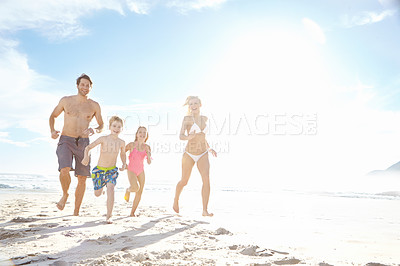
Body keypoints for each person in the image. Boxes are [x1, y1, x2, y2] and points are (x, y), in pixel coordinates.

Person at [49, 73, 104, 216]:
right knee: (64, 169)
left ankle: (76, 212)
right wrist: (52, 131)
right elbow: (53, 116)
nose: (85, 87)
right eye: (82, 84)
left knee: (82, 178)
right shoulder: (66, 101)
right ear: (77, 85)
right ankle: (65, 194)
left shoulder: (94, 105)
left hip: (84, 143)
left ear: (91, 88)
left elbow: (101, 125)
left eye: (87, 85)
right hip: (66, 139)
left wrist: (95, 129)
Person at [173, 96, 217, 216]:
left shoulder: (205, 118)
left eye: (195, 103)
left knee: (206, 179)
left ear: (200, 104)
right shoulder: (187, 119)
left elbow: (203, 136)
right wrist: (188, 137)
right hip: (189, 154)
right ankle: (176, 200)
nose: (193, 105)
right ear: (189, 106)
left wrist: (209, 148)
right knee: (184, 181)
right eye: (191, 104)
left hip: (203, 153)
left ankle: (204, 210)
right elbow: (181, 136)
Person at [81, 116, 126, 224]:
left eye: (119, 126)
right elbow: (88, 147)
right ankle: (102, 188)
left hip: (112, 170)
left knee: (111, 189)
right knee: (97, 193)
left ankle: (109, 216)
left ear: (122, 129)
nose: (116, 128)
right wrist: (86, 157)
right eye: (114, 126)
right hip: (99, 170)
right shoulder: (103, 139)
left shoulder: (121, 142)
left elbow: (123, 154)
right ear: (110, 127)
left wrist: (124, 163)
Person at [124, 126, 152, 217]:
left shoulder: (147, 147)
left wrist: (148, 154)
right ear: (136, 134)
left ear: (146, 136)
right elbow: (122, 152)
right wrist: (124, 163)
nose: (142, 134)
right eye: (140, 132)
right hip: (131, 169)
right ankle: (128, 190)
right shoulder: (132, 145)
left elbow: (149, 162)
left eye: (144, 133)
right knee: (135, 187)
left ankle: (132, 212)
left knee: (139, 192)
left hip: (141, 170)